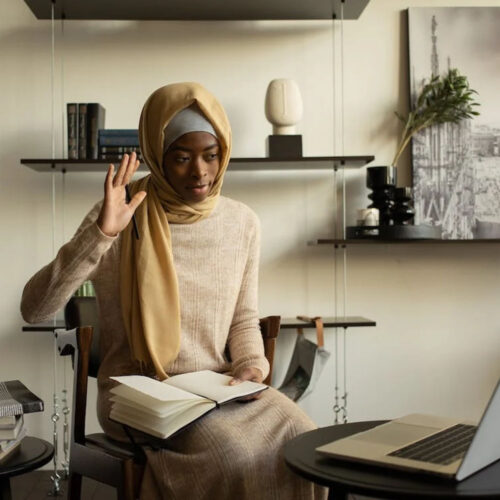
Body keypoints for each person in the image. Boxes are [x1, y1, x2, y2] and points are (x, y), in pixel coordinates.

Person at [21, 82, 327, 499]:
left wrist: (252, 366)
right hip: (137, 394)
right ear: (156, 157)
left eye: (211, 155)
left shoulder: (243, 223)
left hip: (218, 390)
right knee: (234, 454)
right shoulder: (122, 211)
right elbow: (34, 309)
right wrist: (100, 235)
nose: (199, 171)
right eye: (181, 158)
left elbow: (242, 317)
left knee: (305, 439)